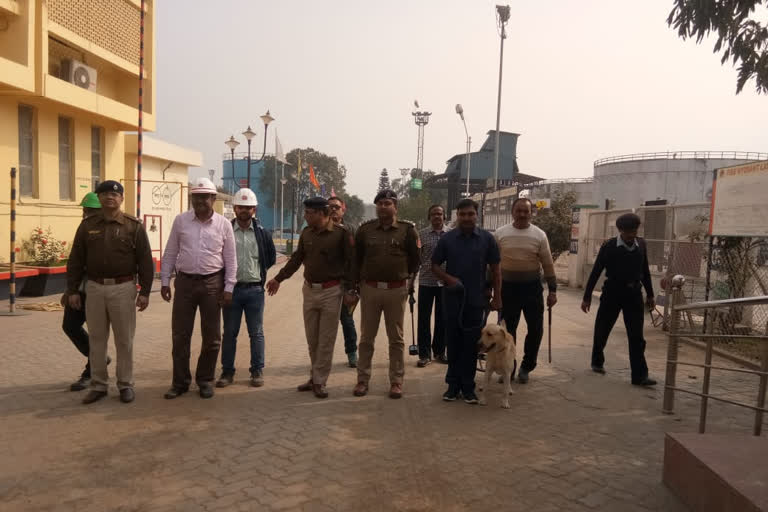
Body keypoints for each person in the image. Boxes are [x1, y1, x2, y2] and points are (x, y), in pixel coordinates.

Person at [66, 181, 154, 404]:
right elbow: (75, 260)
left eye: (115, 194)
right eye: (105, 194)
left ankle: (125, 384)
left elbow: (145, 261)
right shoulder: (87, 226)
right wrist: (72, 290)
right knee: (97, 339)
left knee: (124, 340)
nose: (110, 198)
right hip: (94, 289)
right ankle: (98, 385)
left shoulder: (133, 226)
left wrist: (145, 292)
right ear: (99, 198)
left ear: (122, 198)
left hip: (123, 289)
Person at [266, 197, 355, 399]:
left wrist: (351, 290)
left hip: (332, 292)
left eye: (309, 213)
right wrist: (279, 278)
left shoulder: (341, 234)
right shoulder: (307, 233)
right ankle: (314, 376)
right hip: (309, 291)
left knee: (325, 340)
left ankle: (320, 380)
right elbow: (297, 259)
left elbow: (351, 263)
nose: (305, 216)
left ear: (321, 214)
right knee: (312, 339)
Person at [161, 177, 237, 400]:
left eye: (205, 196)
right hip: (184, 283)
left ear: (213, 198)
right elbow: (170, 252)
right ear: (191, 198)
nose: (200, 201)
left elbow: (231, 259)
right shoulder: (181, 221)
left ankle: (205, 380)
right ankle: (180, 382)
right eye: (196, 196)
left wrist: (229, 287)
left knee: (212, 337)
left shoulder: (223, 224)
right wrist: (165, 281)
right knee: (180, 335)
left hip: (212, 284)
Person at [352, 189, 420, 399]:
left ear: (395, 207)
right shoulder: (365, 230)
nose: (383, 206)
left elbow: (415, 260)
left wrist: (407, 283)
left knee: (396, 339)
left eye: (387, 203)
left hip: (396, 290)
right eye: (380, 203)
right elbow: (356, 259)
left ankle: (397, 381)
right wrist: (355, 286)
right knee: (366, 338)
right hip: (370, 289)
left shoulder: (408, 230)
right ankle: (362, 380)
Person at [431, 198, 501, 403]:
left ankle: (468, 387)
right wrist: (449, 279)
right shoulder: (448, 239)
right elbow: (434, 265)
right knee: (452, 342)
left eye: (470, 214)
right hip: (452, 299)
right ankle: (453, 386)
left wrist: (497, 296)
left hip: (476, 300)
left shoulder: (487, 239)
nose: (467, 218)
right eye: (462, 215)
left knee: (472, 345)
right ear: (457, 216)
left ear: (476, 215)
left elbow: (496, 270)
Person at [581, 212, 657, 387]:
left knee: (637, 336)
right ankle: (597, 361)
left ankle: (639, 376)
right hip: (612, 294)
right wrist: (587, 297)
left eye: (634, 231)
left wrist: (651, 295)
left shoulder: (642, 245)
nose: (631, 235)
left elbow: (645, 272)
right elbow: (596, 272)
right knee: (602, 329)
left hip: (634, 294)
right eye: (628, 231)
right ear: (621, 230)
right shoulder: (609, 247)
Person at [215, 188, 276, 389]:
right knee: (230, 332)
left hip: (255, 292)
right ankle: (227, 372)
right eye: (240, 207)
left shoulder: (262, 234)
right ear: (235, 208)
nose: (244, 211)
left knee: (256, 332)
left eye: (248, 208)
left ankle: (257, 370)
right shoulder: (225, 231)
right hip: (230, 291)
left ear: (254, 209)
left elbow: (270, 258)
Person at [494, 197, 557, 384]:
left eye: (526, 211)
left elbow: (547, 264)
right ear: (512, 212)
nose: (522, 214)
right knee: (506, 332)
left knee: (535, 330)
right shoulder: (500, 234)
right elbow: (493, 266)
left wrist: (552, 291)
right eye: (518, 211)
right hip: (508, 290)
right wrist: (489, 289)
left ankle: (527, 367)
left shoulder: (539, 235)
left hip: (532, 290)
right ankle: (509, 368)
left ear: (531, 213)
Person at [61, 192, 110, 391]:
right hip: (80, 291)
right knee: (70, 325)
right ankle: (99, 359)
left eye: (90, 211)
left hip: (100, 291)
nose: (85, 215)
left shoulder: (112, 231)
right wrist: (71, 290)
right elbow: (75, 262)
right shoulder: (83, 230)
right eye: (84, 211)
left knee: (98, 334)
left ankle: (91, 372)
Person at [415, 204, 448, 367]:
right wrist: (410, 283)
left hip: (445, 283)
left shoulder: (451, 235)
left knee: (443, 318)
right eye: (434, 214)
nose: (437, 216)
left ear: (444, 216)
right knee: (423, 319)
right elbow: (416, 261)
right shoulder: (421, 235)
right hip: (426, 282)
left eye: (440, 214)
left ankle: (440, 352)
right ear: (429, 217)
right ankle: (424, 354)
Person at [328, 195, 358, 368]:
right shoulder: (321, 228)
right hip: (327, 285)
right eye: (330, 207)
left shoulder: (351, 230)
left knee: (347, 320)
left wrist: (354, 287)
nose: (333, 210)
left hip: (346, 285)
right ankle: (323, 358)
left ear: (343, 209)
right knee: (326, 324)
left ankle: (352, 353)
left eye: (336, 207)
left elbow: (356, 259)